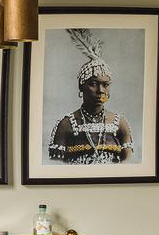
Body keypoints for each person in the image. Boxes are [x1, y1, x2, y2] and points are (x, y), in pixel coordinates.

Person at [48, 34, 133, 165]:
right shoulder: (65, 125)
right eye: (93, 84)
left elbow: (130, 166)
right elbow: (55, 168)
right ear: (81, 87)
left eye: (105, 85)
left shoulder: (120, 124)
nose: (100, 90)